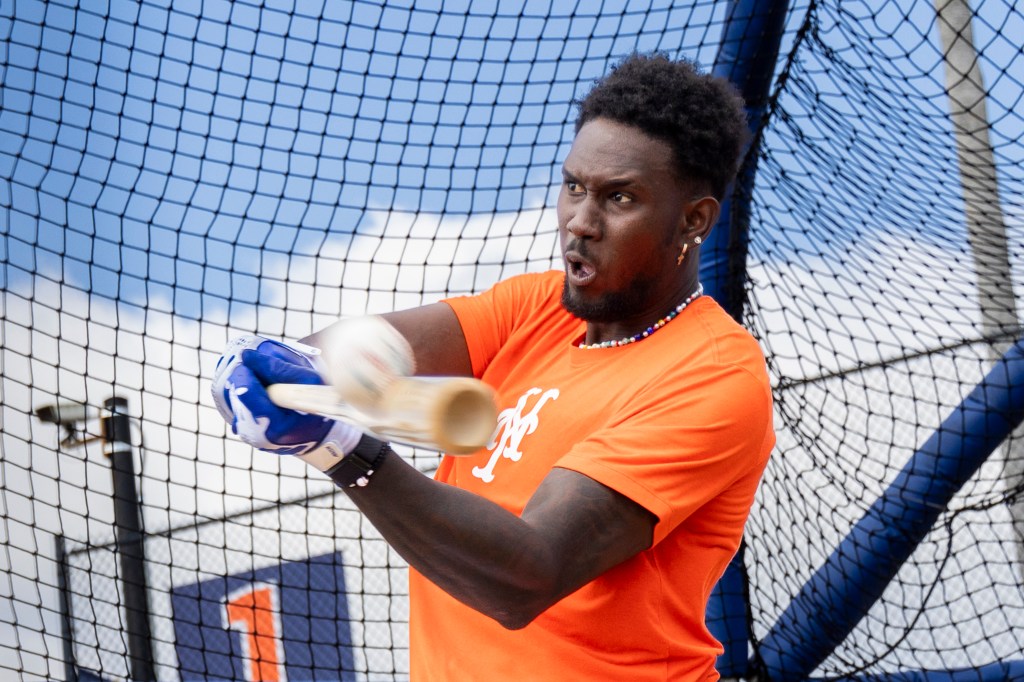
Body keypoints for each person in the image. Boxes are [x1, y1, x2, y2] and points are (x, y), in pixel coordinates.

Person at [211, 52, 774, 681]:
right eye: (574, 187)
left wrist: (346, 451)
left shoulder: (714, 376)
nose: (580, 223)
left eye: (620, 198)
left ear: (693, 220)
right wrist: (290, 365)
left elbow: (525, 577)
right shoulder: (535, 306)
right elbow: (357, 349)